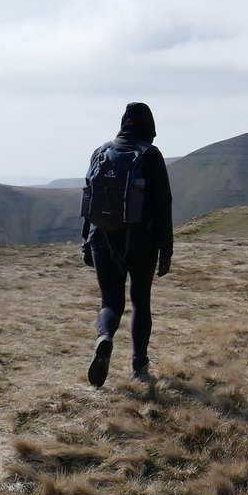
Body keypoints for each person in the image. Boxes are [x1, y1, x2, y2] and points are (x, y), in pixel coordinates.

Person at [81, 101, 173, 387]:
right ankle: (138, 365)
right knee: (140, 302)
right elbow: (163, 206)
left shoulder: (101, 152)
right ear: (150, 127)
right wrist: (165, 251)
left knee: (110, 302)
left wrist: (86, 243)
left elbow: (88, 197)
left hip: (102, 236)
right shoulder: (150, 155)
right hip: (140, 241)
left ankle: (105, 338)